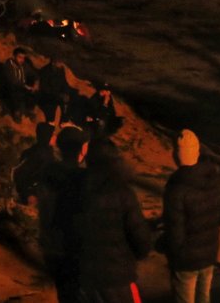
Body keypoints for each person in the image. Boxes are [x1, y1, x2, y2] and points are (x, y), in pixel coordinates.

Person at [77, 139, 152, 302]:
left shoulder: (76, 190)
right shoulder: (123, 192)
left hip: (88, 274)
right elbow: (138, 233)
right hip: (119, 276)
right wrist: (142, 251)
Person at [163, 130, 220, 303]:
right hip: (209, 252)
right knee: (204, 298)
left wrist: (172, 252)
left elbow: (175, 230)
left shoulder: (176, 188)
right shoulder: (214, 179)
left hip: (186, 259)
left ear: (176, 155)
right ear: (197, 152)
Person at [38, 126, 87, 303]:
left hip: (53, 245)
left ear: (59, 146)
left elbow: (45, 209)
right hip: (77, 246)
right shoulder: (84, 178)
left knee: (65, 294)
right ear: (81, 148)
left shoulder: (48, 173)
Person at [13, 122, 57, 206]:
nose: (55, 137)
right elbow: (21, 174)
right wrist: (29, 194)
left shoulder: (47, 151)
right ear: (47, 137)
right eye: (53, 134)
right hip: (33, 193)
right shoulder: (36, 154)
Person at [37, 55, 74, 124]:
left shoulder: (61, 69)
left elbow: (64, 82)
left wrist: (66, 93)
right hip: (48, 95)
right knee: (51, 108)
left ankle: (64, 120)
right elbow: (45, 88)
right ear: (53, 63)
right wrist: (59, 95)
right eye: (59, 63)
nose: (61, 64)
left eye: (61, 63)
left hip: (58, 94)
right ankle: (50, 122)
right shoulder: (45, 71)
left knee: (69, 100)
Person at [2, 47, 36, 121]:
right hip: (10, 86)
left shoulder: (24, 65)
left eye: (23, 58)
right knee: (16, 91)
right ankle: (16, 112)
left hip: (22, 86)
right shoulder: (9, 65)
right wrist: (25, 86)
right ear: (14, 56)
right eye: (19, 57)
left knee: (34, 91)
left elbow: (32, 73)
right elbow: (12, 80)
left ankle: (30, 110)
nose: (22, 60)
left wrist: (36, 83)